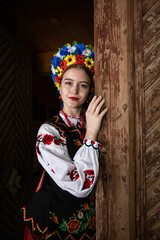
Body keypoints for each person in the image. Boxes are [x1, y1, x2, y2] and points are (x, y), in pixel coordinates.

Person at [20, 41, 108, 240]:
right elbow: (79, 183)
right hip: (53, 220)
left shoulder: (96, 122)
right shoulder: (49, 131)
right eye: (68, 83)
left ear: (89, 92)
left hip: (90, 219)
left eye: (83, 85)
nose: (74, 90)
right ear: (59, 86)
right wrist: (91, 134)